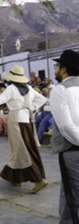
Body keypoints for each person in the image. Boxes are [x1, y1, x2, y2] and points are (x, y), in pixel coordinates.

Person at [0, 64, 48, 194]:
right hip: (27, 120)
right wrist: (32, 108)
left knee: (21, 149)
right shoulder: (29, 88)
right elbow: (42, 99)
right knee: (25, 147)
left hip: (15, 119)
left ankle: (38, 179)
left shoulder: (11, 88)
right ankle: (17, 178)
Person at [49, 50, 79, 224]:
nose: (56, 69)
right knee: (68, 191)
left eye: (57, 66)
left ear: (64, 69)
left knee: (74, 195)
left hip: (72, 150)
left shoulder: (60, 90)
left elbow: (66, 126)